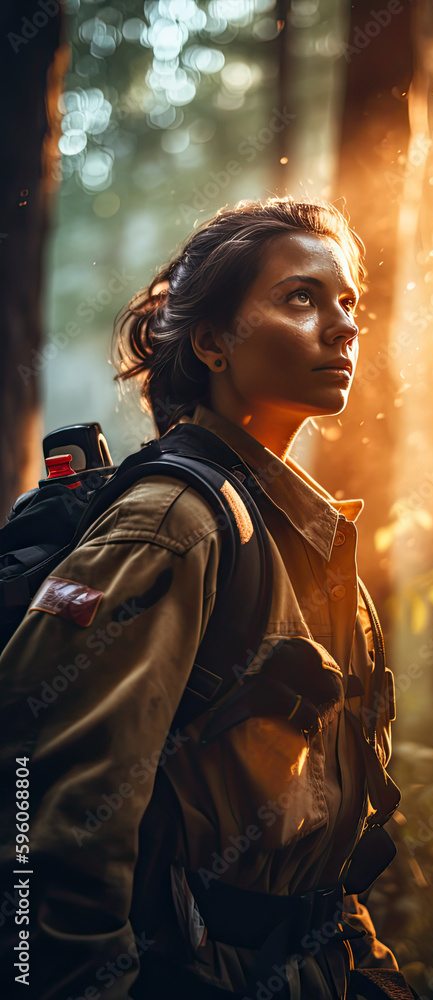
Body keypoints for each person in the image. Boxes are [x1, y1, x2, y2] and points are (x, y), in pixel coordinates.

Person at [0, 197, 412, 1000]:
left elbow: (329, 858)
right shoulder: (175, 524)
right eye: (301, 297)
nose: (342, 326)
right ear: (212, 343)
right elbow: (59, 826)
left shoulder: (315, 544)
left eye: (347, 301)